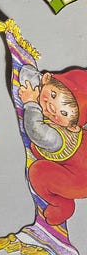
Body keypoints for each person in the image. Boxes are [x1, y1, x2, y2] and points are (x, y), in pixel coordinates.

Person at [18, 65, 87, 226]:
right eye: (54, 95)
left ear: (72, 127)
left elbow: (36, 132)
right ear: (47, 78)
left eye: (64, 113)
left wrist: (31, 103)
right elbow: (26, 73)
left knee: (38, 172)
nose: (53, 107)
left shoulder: (57, 138)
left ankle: (62, 205)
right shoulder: (47, 87)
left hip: (79, 181)